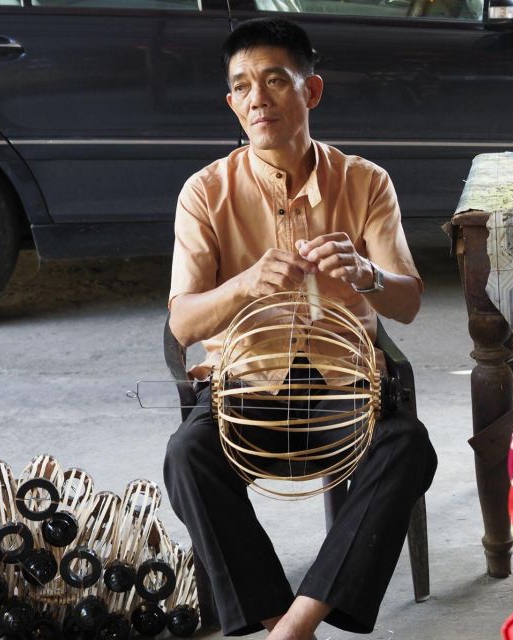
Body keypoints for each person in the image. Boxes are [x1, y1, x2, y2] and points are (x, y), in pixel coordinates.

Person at [163, 18, 437, 640]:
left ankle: (295, 626)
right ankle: (275, 620)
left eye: (275, 80)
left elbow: (409, 303)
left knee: (408, 447)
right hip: (246, 385)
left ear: (310, 91)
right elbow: (181, 322)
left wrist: (367, 274)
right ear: (232, 105)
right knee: (188, 454)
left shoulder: (365, 182)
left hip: (348, 386)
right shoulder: (205, 193)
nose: (259, 97)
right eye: (243, 87)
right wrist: (244, 285)